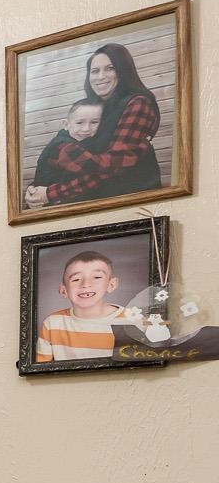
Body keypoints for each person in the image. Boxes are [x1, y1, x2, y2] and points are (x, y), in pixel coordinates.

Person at [24, 43, 163, 209]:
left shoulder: (138, 103)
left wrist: (51, 193)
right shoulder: (95, 108)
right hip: (93, 200)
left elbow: (112, 167)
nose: (101, 76)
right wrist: (36, 189)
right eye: (95, 71)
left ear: (123, 70)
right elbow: (70, 160)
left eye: (110, 68)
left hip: (129, 200)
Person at [36, 249, 132, 362]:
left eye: (97, 277)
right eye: (76, 279)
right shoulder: (52, 323)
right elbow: (40, 372)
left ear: (111, 285)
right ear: (64, 290)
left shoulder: (132, 321)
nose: (86, 284)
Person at [32, 100, 103, 195]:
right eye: (79, 123)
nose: (86, 128)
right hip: (47, 201)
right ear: (66, 124)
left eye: (94, 122)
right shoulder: (64, 146)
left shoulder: (81, 141)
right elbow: (96, 168)